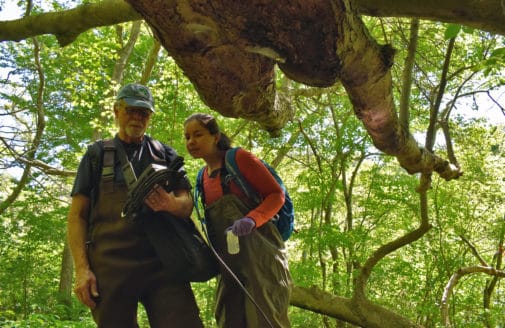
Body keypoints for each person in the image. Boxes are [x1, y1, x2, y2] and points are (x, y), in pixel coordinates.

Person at [67, 83, 204, 328]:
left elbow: (187, 204)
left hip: (164, 263)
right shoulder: (97, 155)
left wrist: (171, 203)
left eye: (144, 113)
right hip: (110, 266)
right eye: (131, 110)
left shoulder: (166, 154)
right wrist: (81, 269)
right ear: (116, 111)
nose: (138, 117)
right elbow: (77, 216)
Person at [184, 113, 292, 328]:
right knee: (229, 318)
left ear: (215, 136)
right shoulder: (201, 177)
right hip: (229, 264)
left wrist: (252, 219)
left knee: (265, 319)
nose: (191, 142)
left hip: (262, 256)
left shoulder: (239, 159)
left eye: (198, 134)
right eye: (187, 137)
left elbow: (275, 194)